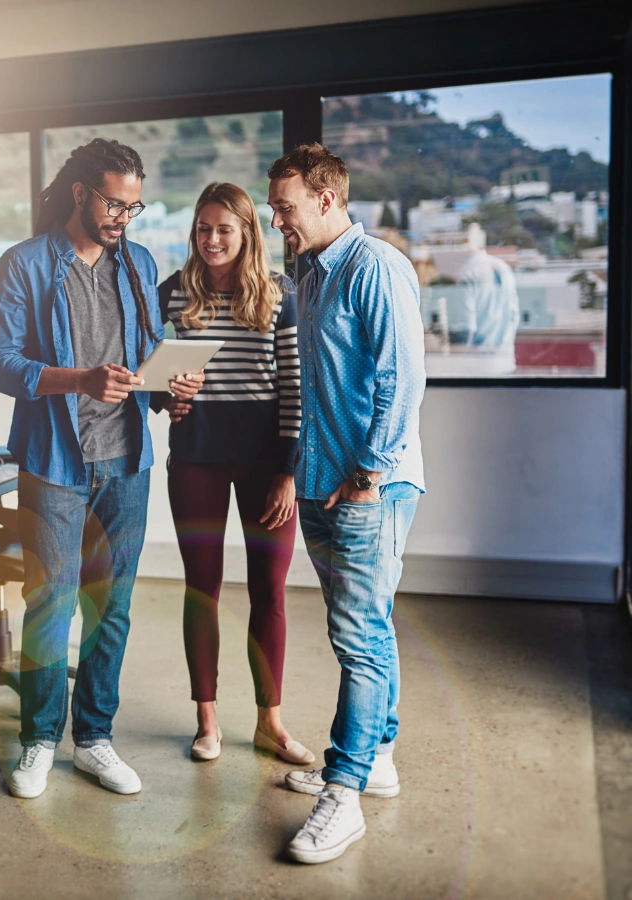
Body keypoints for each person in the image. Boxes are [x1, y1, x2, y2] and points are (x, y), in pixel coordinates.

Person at [0, 138, 202, 800]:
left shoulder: (136, 263)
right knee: (50, 602)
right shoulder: (23, 264)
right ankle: (39, 740)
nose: (122, 219)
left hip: (127, 460)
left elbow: (145, 355)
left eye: (134, 208)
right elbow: (0, 363)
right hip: (54, 462)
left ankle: (95, 740)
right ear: (81, 192)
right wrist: (80, 378)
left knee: (111, 607)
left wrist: (171, 388)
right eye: (114, 204)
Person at [265, 144, 425, 864]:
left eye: (286, 209)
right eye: (274, 211)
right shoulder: (308, 274)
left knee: (359, 637)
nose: (278, 223)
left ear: (327, 200)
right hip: (324, 483)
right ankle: (377, 759)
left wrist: (366, 473)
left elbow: (401, 379)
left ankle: (345, 790)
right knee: (368, 628)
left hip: (368, 487)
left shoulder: (376, 268)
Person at [157, 182, 312, 766]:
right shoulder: (173, 293)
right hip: (194, 456)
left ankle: (270, 723)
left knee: (269, 591)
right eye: (203, 228)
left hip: (264, 461)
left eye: (224, 228)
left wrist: (287, 471)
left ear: (247, 231)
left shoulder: (279, 294)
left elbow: (295, 388)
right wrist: (164, 400)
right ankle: (208, 721)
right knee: (202, 589)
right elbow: (148, 375)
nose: (212, 239)